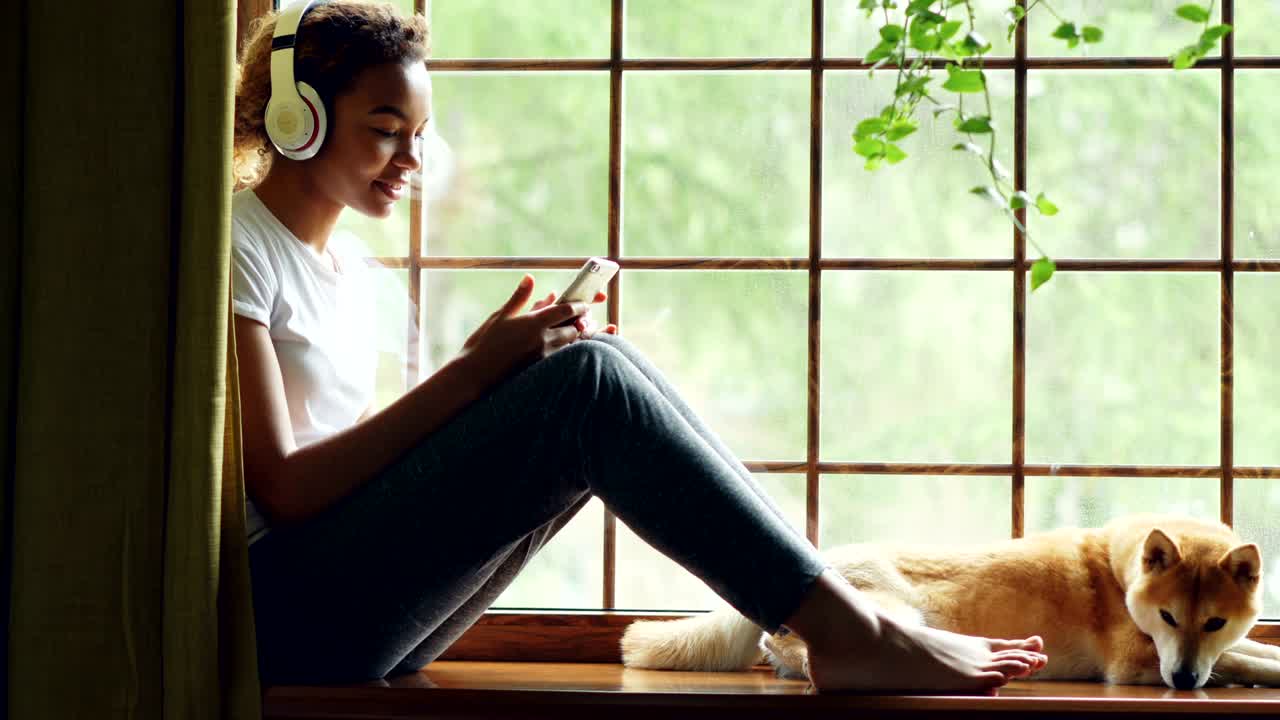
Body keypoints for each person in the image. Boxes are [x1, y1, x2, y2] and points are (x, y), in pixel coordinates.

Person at [230, 0, 1048, 691]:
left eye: (420, 131)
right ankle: (844, 628)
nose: (413, 158)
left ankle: (840, 617)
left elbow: (365, 471)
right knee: (587, 383)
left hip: (353, 606)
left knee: (598, 367)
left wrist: (483, 381)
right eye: (384, 128)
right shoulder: (234, 244)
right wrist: (475, 378)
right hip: (286, 618)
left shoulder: (351, 271)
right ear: (296, 119)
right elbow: (289, 492)